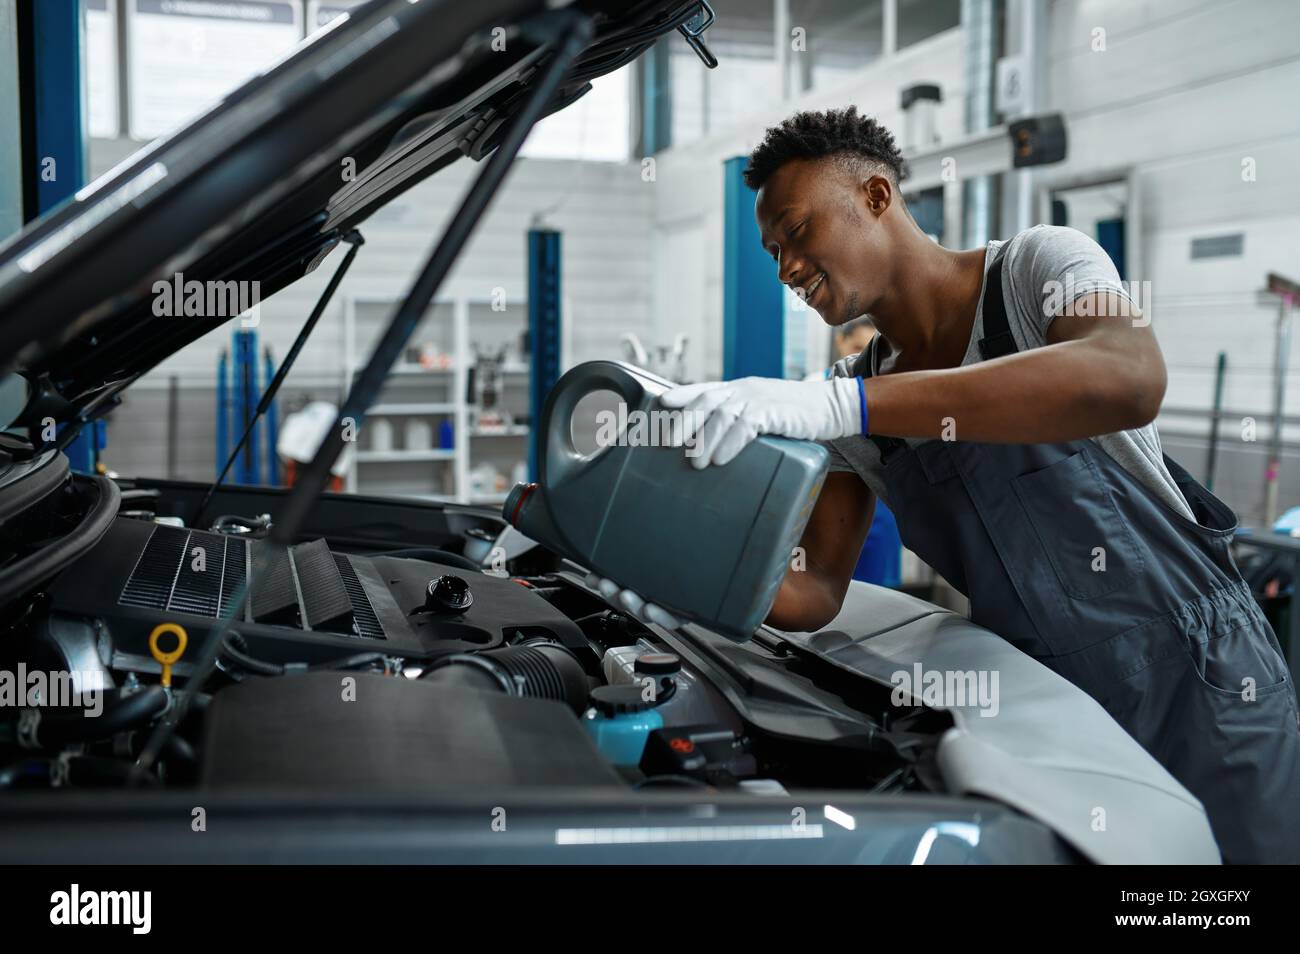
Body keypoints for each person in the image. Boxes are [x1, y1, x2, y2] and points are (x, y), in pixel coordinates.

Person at [592, 106, 1300, 863]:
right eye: (770, 252)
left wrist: (843, 404)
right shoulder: (853, 400)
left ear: (875, 196)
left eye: (796, 232)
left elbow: (1129, 376)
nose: (785, 268)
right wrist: (653, 552)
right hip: (1045, 707)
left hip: (1200, 678)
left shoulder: (1038, 270)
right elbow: (812, 591)